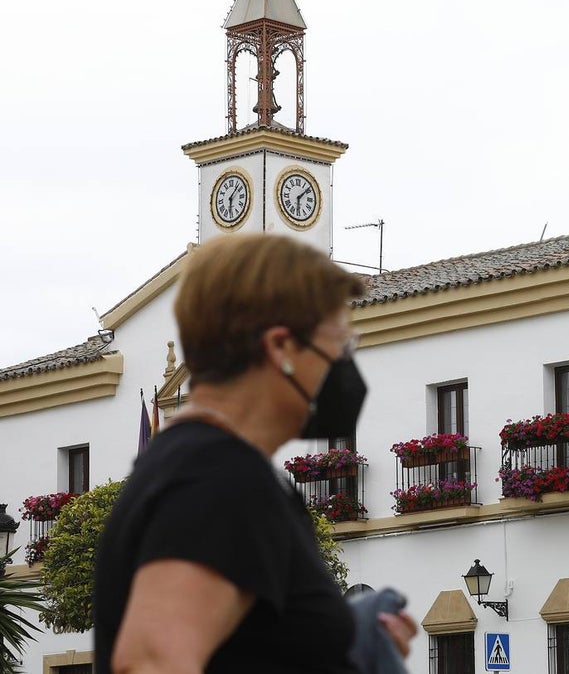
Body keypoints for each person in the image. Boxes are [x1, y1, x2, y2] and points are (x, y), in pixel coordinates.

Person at [94, 234, 417, 674]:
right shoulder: (217, 478)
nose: (344, 367)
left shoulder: (201, 467)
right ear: (281, 347)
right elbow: (152, 661)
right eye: (340, 347)